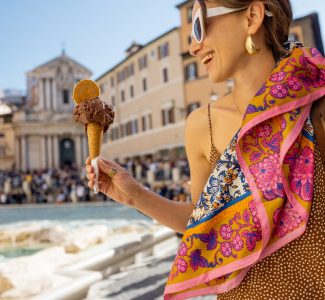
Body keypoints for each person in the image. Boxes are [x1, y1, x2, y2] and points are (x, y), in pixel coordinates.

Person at [86, 0, 325, 299]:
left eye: (199, 26)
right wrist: (135, 195)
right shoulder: (202, 126)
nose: (193, 47)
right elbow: (202, 221)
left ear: (251, 17)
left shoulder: (315, 100)